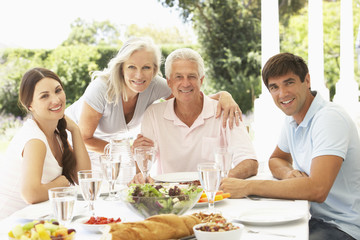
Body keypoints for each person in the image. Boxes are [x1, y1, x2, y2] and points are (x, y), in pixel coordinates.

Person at [220, 53, 360, 240]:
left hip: (345, 227)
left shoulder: (329, 118)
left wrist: (247, 187)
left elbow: (317, 189)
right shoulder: (294, 119)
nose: (282, 94)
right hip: (315, 219)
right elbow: (277, 159)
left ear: (307, 80)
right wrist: (288, 173)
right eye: (274, 87)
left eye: (289, 83)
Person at [65, 37, 242, 171]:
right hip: (74, 143)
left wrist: (223, 95)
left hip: (111, 150)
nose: (139, 75)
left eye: (146, 68)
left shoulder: (156, 85)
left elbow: (188, 94)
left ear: (155, 70)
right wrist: (126, 149)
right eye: (132, 67)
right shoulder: (101, 89)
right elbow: (83, 137)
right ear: (121, 68)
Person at [131, 48, 258, 183]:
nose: (185, 83)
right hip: (171, 198)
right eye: (178, 77)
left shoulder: (225, 110)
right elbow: (143, 165)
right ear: (169, 82)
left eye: (191, 76)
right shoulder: (153, 114)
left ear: (201, 80)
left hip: (212, 194)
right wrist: (139, 158)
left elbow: (250, 163)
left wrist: (217, 180)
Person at [0, 68, 91, 219]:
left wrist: (75, 130)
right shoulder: (35, 140)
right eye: (44, 96)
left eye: (58, 90)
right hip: (8, 225)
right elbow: (31, 194)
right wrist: (62, 181)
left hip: (33, 220)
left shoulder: (56, 133)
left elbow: (84, 178)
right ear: (30, 106)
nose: (56, 100)